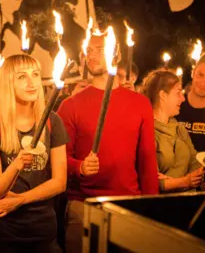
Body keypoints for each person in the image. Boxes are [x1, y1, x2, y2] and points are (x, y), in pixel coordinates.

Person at [57, 33, 159, 253]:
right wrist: (80, 167)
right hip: (83, 206)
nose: (92, 55)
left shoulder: (140, 104)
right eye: (89, 50)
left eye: (100, 49)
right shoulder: (70, 106)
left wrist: (150, 208)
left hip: (129, 206)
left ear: (117, 53)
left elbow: (147, 161)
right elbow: (57, 159)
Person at [0, 54, 68, 252]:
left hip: (41, 231)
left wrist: (20, 200)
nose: (31, 82)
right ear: (9, 83)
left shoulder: (53, 121)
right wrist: (16, 165)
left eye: (35, 74)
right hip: (1, 232)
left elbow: (60, 182)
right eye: (22, 77)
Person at [141, 70, 204, 192]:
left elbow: (194, 159)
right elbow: (150, 180)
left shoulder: (179, 128)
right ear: (163, 95)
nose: (183, 99)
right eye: (178, 93)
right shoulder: (146, 131)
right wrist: (184, 182)